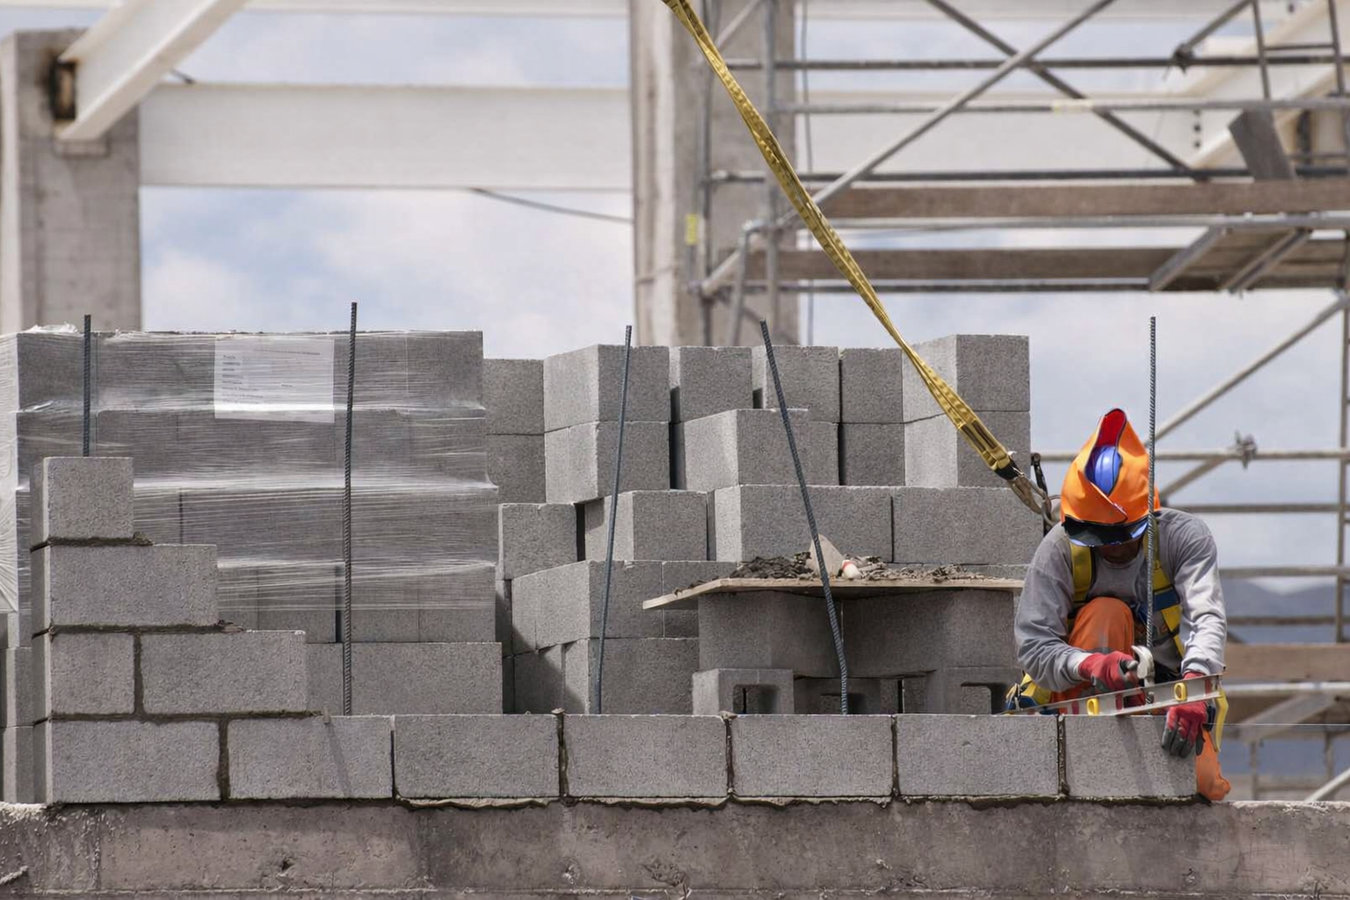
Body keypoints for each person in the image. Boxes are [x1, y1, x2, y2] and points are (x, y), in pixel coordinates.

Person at [1007, 408, 1231, 801]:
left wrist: (1194, 685)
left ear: (1148, 515)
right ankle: (1088, 764)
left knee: (1203, 786)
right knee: (1105, 613)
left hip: (1164, 690)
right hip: (1077, 694)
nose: (1110, 547)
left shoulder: (1182, 539)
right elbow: (1034, 647)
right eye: (1096, 537)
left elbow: (1206, 617)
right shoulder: (1059, 549)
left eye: (1122, 535)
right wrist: (1091, 663)